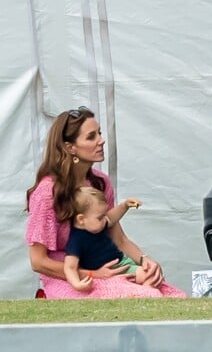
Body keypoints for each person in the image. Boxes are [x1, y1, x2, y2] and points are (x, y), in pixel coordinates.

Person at [25, 106, 187, 299]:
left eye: (99, 133)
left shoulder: (100, 183)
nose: (101, 141)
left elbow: (118, 239)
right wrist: (93, 275)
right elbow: (38, 262)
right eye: (91, 136)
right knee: (146, 296)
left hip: (109, 266)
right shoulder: (47, 193)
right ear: (70, 148)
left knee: (173, 295)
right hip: (69, 278)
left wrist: (145, 261)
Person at [64, 187, 150, 292]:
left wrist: (125, 205)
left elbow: (112, 217)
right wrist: (77, 284)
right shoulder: (76, 241)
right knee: (148, 276)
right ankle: (146, 294)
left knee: (150, 273)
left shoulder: (96, 225)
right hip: (115, 268)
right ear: (81, 219)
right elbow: (70, 267)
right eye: (100, 217)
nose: (105, 219)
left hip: (122, 263)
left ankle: (144, 293)